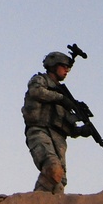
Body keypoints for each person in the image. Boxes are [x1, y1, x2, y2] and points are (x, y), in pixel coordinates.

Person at [21, 50, 91, 193]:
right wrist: (61, 99)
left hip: (58, 138)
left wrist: (81, 130)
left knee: (59, 182)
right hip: (39, 131)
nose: (67, 71)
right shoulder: (40, 81)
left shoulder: (63, 94)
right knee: (52, 168)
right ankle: (37, 202)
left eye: (68, 68)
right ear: (54, 66)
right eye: (64, 67)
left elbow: (68, 126)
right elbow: (36, 92)